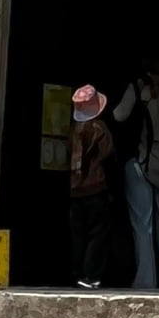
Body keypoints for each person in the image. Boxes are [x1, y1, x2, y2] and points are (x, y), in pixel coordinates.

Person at [112, 57, 159, 290]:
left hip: (142, 162)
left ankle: (146, 281)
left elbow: (119, 115)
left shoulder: (138, 90)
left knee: (143, 224)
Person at [66, 83, 115, 288]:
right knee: (97, 233)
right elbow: (108, 155)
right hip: (96, 188)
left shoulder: (73, 131)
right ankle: (91, 275)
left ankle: (76, 272)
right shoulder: (99, 129)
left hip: (76, 190)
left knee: (78, 234)